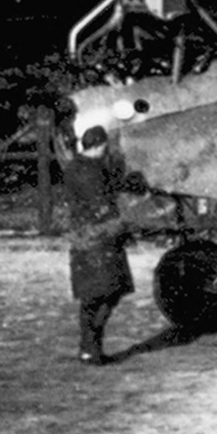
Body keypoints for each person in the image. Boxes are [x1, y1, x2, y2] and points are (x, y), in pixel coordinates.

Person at [65, 125, 148, 365]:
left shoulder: (75, 167)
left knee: (90, 297)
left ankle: (88, 348)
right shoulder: (94, 172)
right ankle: (92, 349)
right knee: (111, 292)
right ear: (101, 145)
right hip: (101, 240)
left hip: (81, 239)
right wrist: (126, 227)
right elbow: (103, 206)